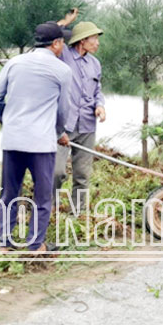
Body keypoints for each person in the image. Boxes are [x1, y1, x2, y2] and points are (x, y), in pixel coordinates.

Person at [0, 22, 72, 254]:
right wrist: (59, 133)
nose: (63, 45)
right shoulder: (62, 70)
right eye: (62, 41)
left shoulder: (14, 63)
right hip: (41, 144)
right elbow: (62, 111)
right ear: (56, 44)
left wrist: (8, 120)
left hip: (13, 140)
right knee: (43, 196)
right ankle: (35, 245)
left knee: (9, 193)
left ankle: (4, 244)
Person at [54, 21, 106, 211]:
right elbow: (51, 34)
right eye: (94, 38)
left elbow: (97, 90)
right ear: (82, 41)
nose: (97, 43)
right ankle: (49, 209)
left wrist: (100, 105)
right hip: (63, 126)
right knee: (56, 172)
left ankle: (79, 214)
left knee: (82, 174)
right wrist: (64, 23)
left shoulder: (95, 63)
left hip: (87, 126)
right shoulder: (63, 56)